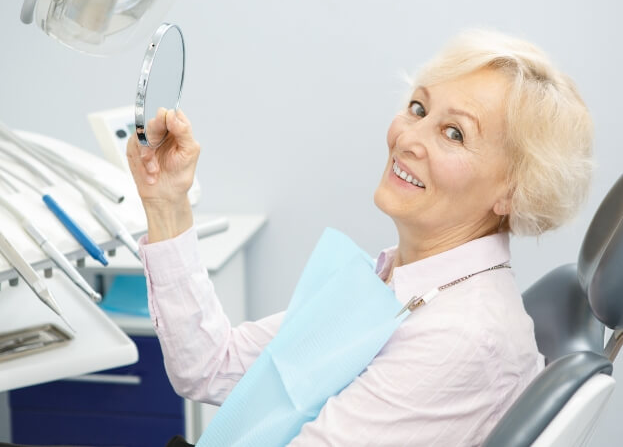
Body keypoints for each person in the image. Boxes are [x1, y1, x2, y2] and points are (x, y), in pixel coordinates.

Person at [126, 29, 593, 446]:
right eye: (418, 108)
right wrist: (167, 203)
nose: (409, 138)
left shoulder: (460, 337)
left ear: (513, 191)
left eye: (454, 133)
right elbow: (210, 366)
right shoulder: (396, 281)